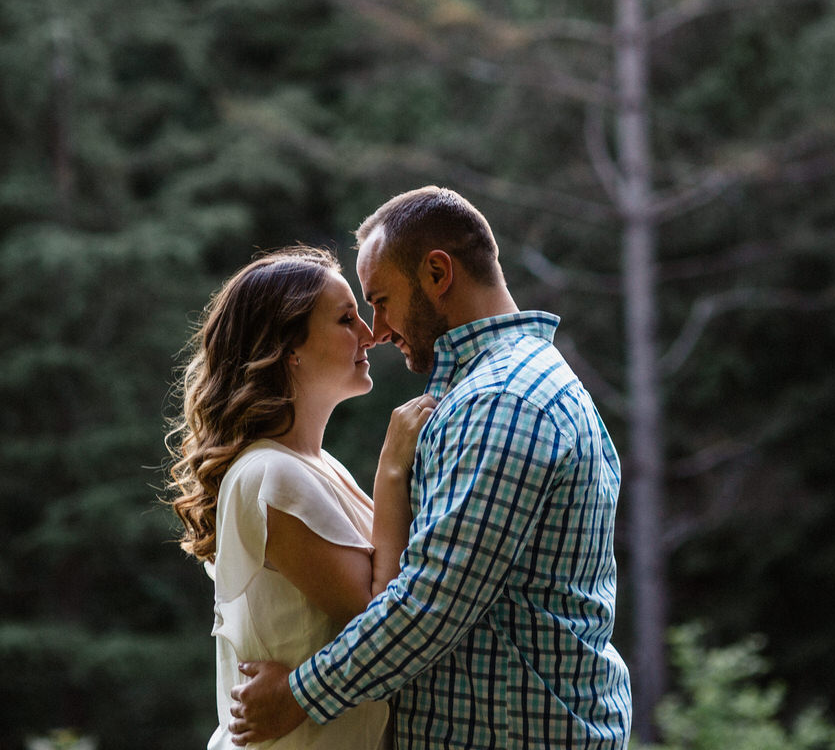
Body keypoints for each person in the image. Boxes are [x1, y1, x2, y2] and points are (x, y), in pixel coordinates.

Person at [227, 187, 633, 749]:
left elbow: (430, 604)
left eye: (382, 301)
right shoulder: (509, 386)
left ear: (438, 273)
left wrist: (297, 696)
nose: (380, 330)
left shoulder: (503, 400)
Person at [166, 246, 435, 749]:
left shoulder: (314, 466)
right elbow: (384, 620)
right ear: (288, 347)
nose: (371, 335)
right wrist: (393, 468)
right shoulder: (271, 477)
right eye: (345, 319)